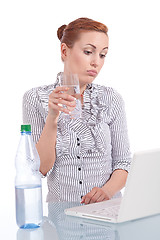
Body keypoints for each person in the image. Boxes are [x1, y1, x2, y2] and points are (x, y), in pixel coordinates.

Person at [23, 17, 131, 204]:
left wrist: (105, 192)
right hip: (61, 217)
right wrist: (52, 117)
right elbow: (40, 169)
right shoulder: (35, 98)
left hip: (107, 211)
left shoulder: (111, 98)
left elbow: (123, 163)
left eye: (103, 55)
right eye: (88, 52)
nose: (96, 62)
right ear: (64, 51)